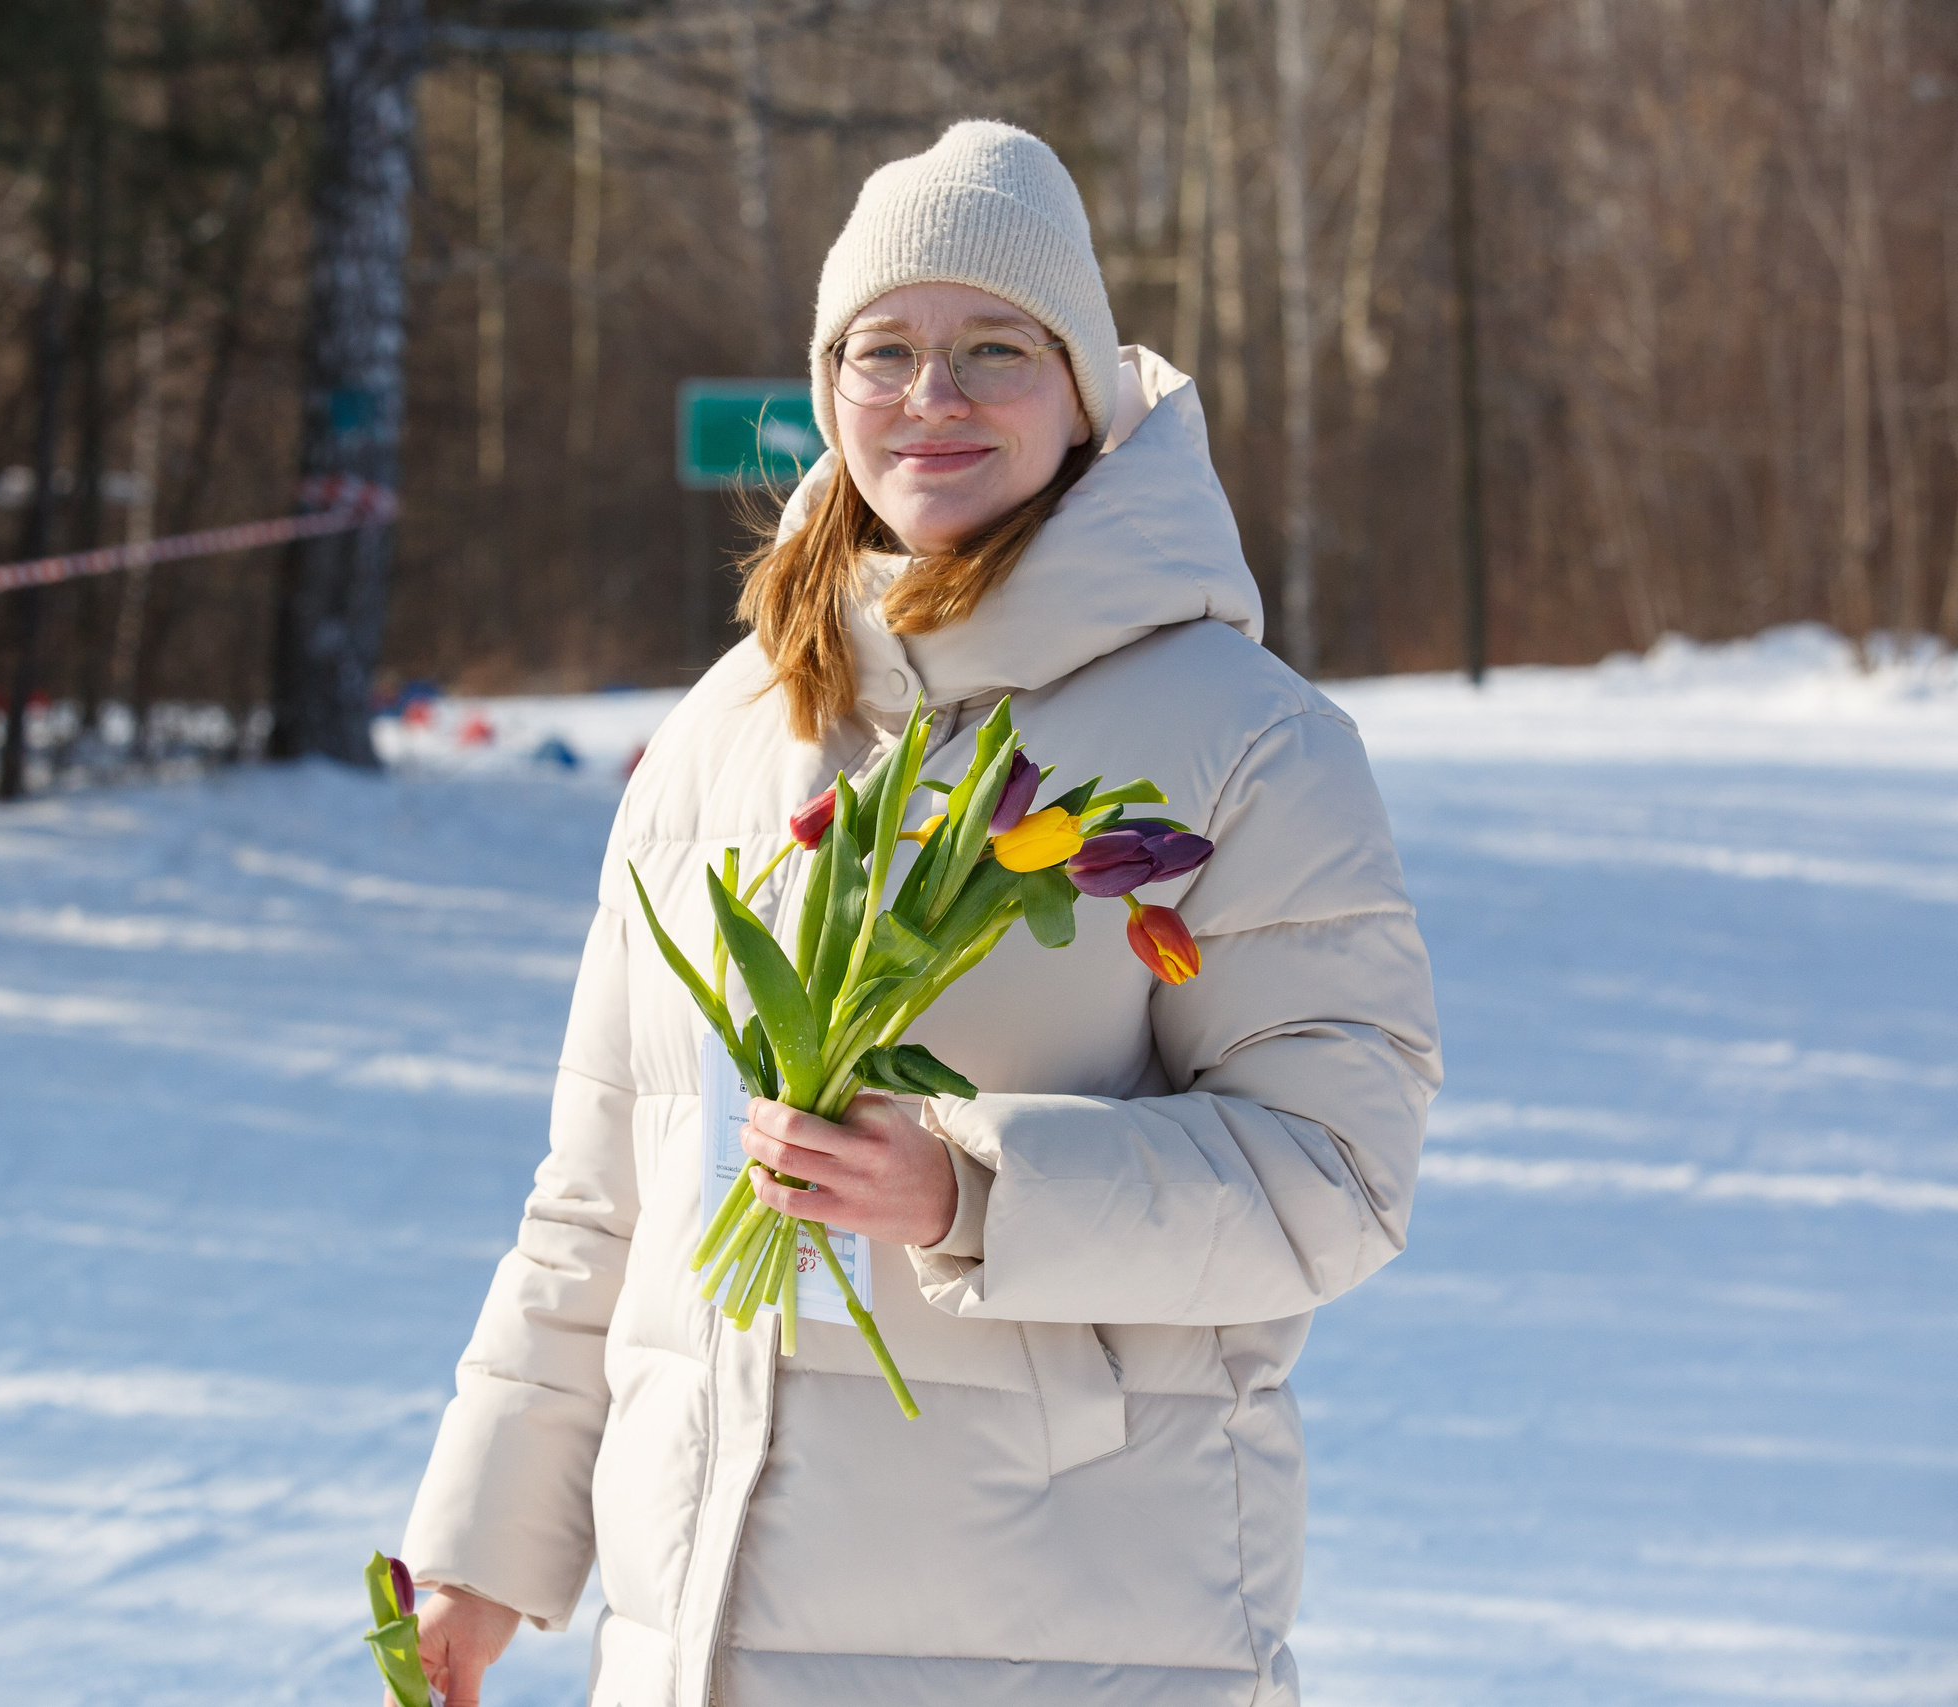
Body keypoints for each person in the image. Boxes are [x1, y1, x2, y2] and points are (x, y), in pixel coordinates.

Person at [396, 120, 1440, 1707]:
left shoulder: (1246, 741)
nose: (931, 397)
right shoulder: (725, 732)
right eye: (883, 350)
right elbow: (602, 1193)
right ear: (826, 391)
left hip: (1066, 1639)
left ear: (1080, 388)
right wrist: (486, 1545)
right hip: (705, 1644)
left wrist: (967, 1189)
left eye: (993, 350)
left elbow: (1336, 1176)